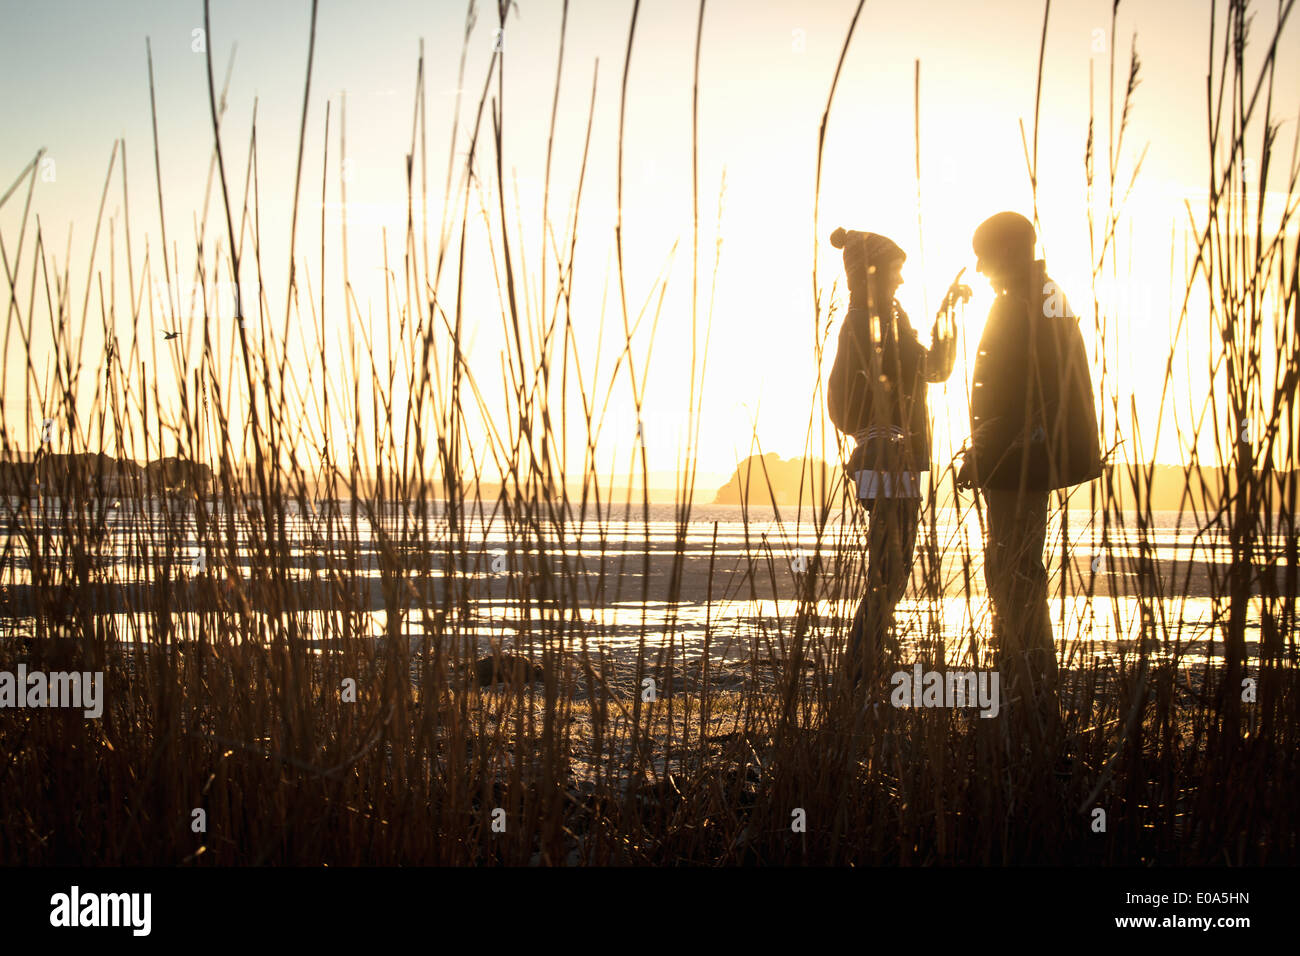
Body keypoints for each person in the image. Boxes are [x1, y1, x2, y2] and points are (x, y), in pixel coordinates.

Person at [957, 211, 1101, 738]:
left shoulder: (1039, 299)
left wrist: (997, 448)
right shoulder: (1029, 295)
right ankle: (1021, 683)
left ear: (1011, 251)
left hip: (1020, 463)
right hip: (1011, 459)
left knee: (1015, 570)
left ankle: (1028, 689)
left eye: (985, 255)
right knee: (1012, 568)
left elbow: (1046, 394)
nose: (978, 267)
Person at [827, 227, 969, 687]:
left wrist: (947, 312)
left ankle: (865, 662)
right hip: (883, 459)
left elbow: (934, 369)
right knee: (891, 567)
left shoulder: (889, 317)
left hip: (892, 459)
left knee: (893, 566)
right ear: (871, 275)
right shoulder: (865, 322)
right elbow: (855, 401)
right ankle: (860, 668)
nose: (903, 282)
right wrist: (884, 436)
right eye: (896, 273)